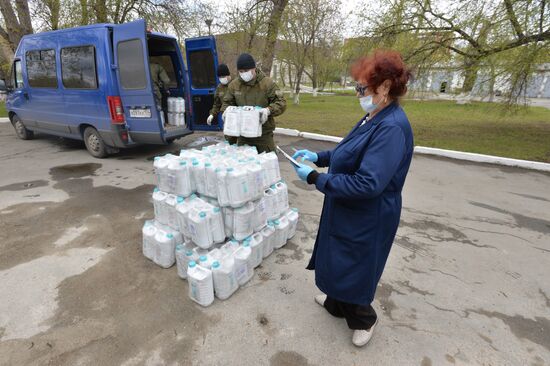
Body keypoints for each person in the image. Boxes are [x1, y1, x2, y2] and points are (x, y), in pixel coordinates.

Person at [291, 50, 414, 347]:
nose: (357, 93)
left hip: (369, 213)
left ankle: (363, 319)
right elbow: (349, 152)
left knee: (356, 264)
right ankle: (335, 303)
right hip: (348, 205)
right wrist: (319, 157)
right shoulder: (374, 114)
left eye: (362, 88)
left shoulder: (392, 127)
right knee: (337, 255)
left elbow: (367, 182)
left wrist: (315, 178)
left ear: (384, 87)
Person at [221, 53, 286, 153]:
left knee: (268, 164)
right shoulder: (234, 85)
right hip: (242, 134)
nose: (243, 74)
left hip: (263, 135)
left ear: (254, 68)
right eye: (241, 71)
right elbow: (227, 102)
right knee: (245, 165)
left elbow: (281, 102)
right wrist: (226, 111)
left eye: (246, 71)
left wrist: (268, 110)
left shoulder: (267, 84)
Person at [207, 64, 236, 144]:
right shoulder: (219, 88)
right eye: (220, 77)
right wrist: (212, 114)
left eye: (223, 76)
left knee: (240, 143)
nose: (222, 79)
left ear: (228, 75)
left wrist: (231, 110)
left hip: (237, 119)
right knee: (229, 141)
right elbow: (217, 104)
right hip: (226, 120)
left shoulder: (236, 85)